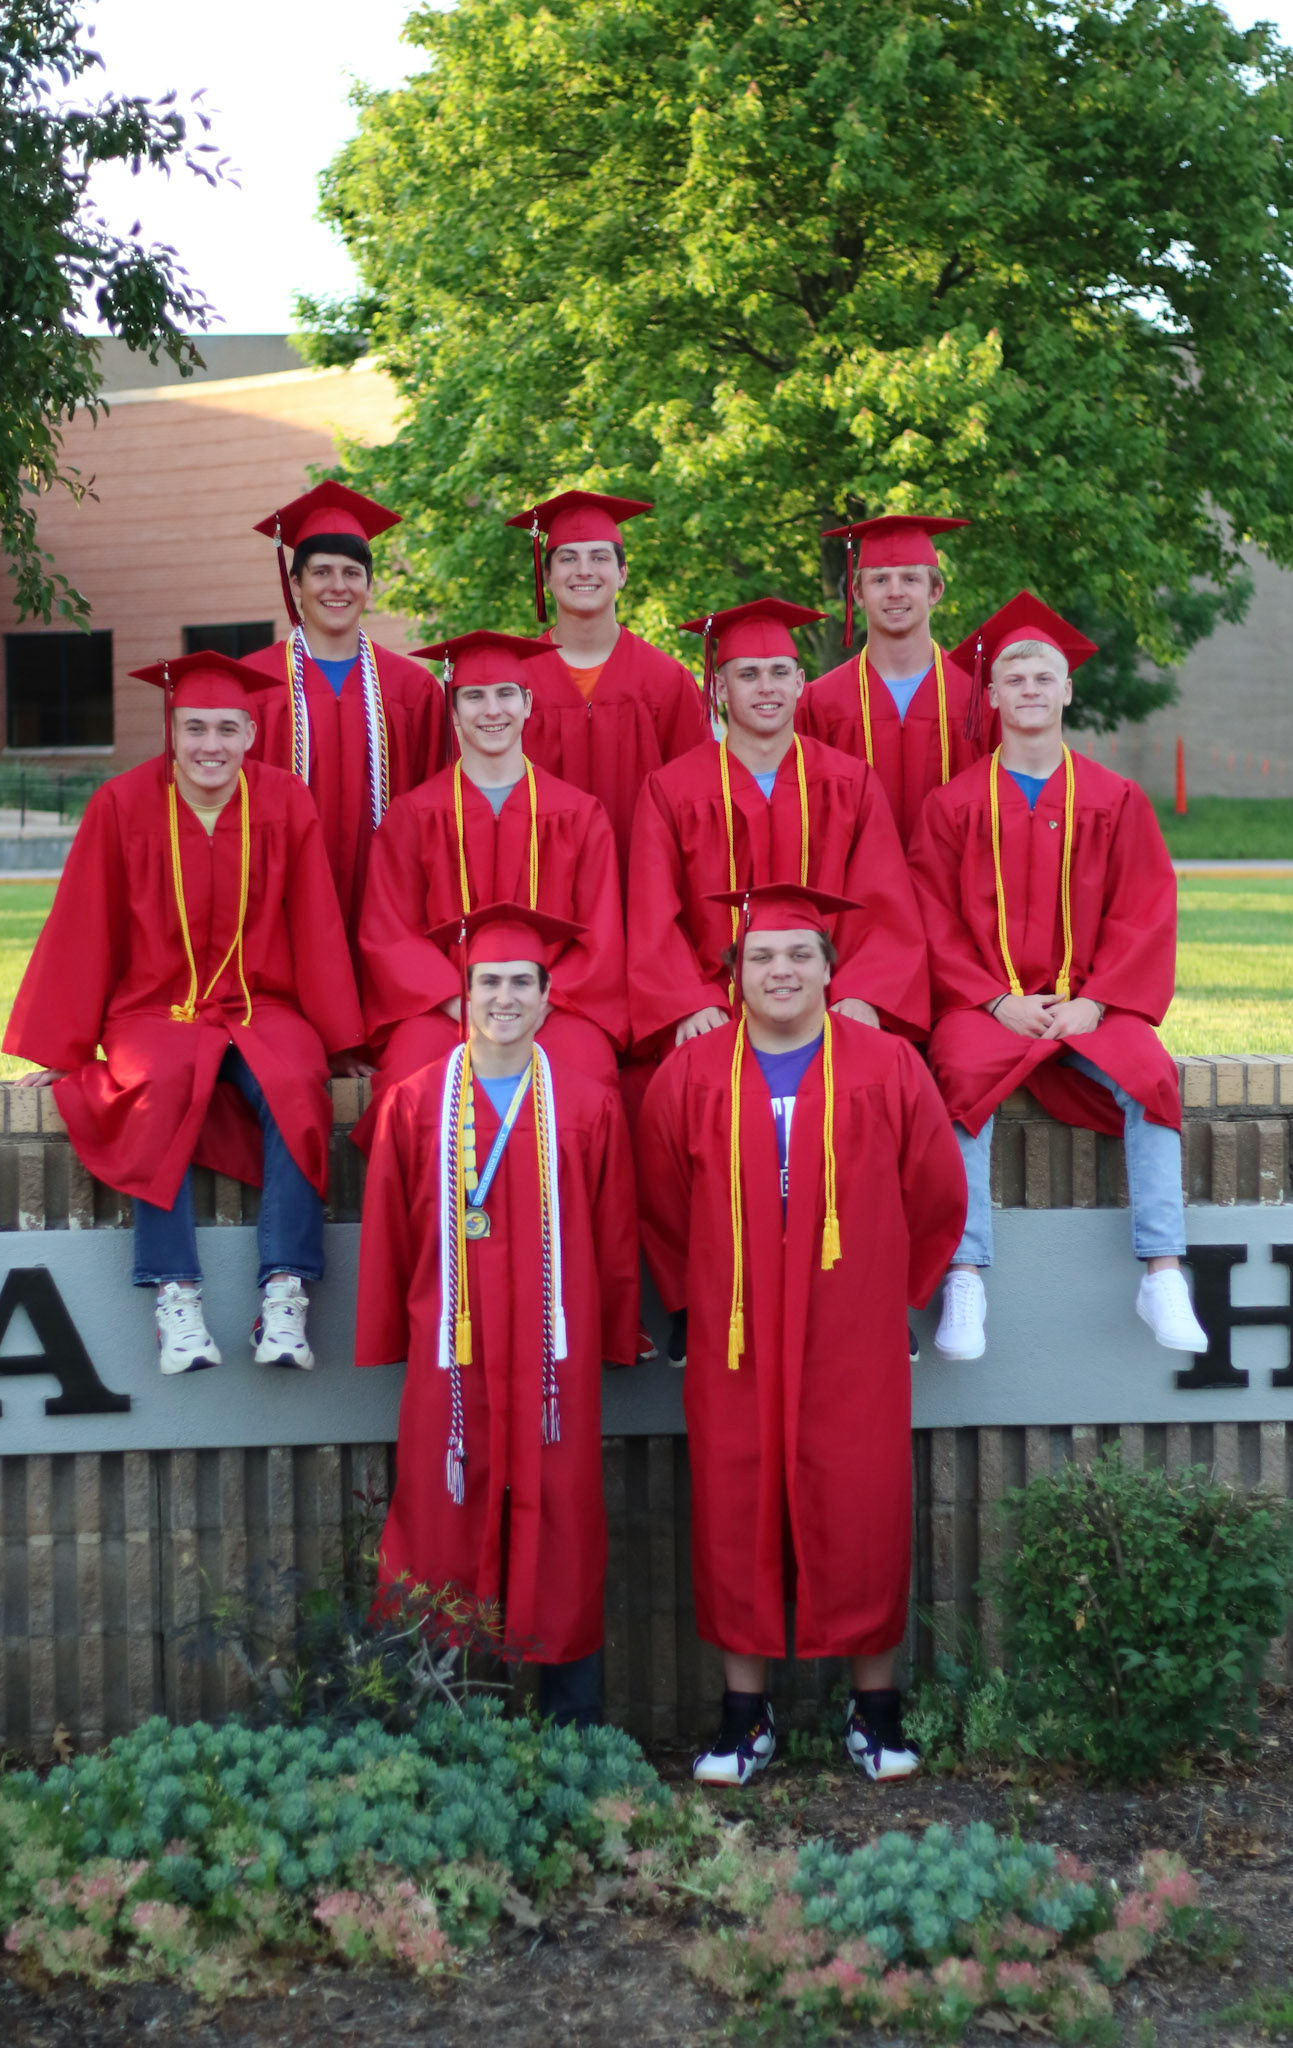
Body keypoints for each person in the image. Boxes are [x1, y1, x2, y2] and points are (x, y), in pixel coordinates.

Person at [638, 884, 966, 1785]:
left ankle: (876, 1713)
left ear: (829, 969)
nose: (779, 971)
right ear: (733, 976)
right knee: (734, 1506)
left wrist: (891, 1297)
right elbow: (662, 1205)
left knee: (859, 1505)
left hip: (850, 1327)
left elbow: (935, 1189)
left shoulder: (888, 1065)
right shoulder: (692, 1075)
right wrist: (692, 1307)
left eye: (798, 956)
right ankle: (743, 1720)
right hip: (736, 1330)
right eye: (759, 958)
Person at [4, 651, 366, 1374]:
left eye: (227, 729)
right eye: (194, 727)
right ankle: (175, 1294)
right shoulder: (122, 804)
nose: (210, 745)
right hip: (153, 1008)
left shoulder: (286, 801)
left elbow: (317, 925)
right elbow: (86, 925)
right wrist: (65, 1050)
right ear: (170, 729)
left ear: (251, 735)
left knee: (298, 1084)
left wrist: (339, 1038)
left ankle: (285, 1291)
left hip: (263, 1003)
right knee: (155, 1086)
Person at [906, 591, 1208, 1362]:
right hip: (986, 1003)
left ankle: (1162, 1269)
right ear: (993, 695)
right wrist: (994, 999)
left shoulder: (1114, 799)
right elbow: (929, 918)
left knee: (1151, 1074)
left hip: (1092, 1003)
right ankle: (966, 1273)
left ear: (1067, 689)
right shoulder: (951, 806)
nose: (1031, 690)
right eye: (1015, 679)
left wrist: (1098, 1000)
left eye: (1045, 677)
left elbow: (1146, 910)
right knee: (958, 1072)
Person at [357, 902, 640, 1725]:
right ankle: (445, 1727)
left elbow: (614, 1236)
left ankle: (570, 1732)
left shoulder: (586, 1106)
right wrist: (392, 1336)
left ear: (550, 999)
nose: (504, 997)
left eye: (522, 982)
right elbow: (388, 1235)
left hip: (555, 1361)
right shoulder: (414, 1106)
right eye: (489, 982)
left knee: (561, 1522)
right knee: (441, 1518)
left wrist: (613, 1336)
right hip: (451, 1352)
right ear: (464, 993)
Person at [627, 598, 929, 1059]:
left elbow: (884, 905)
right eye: (747, 674)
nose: (766, 687)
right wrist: (689, 1001)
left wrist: (863, 992)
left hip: (827, 1007)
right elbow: (654, 918)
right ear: (720, 688)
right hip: (717, 1010)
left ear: (801, 683)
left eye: (779, 672)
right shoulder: (671, 791)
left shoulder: (851, 783)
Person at [356, 629, 628, 1095]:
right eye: (474, 697)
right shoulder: (415, 815)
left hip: (553, 1006)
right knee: (409, 1078)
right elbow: (391, 932)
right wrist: (461, 1003)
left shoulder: (579, 814)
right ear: (454, 710)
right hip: (446, 1007)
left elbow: (599, 936)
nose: (492, 710)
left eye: (506, 694)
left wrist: (532, 1003)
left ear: (528, 703)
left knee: (587, 1074)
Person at [244, 480, 447, 946]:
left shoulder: (413, 689)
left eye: (352, 573)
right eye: (321, 573)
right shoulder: (254, 685)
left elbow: (436, 806)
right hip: (277, 906)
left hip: (391, 906)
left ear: (369, 586)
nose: (338, 587)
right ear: (296, 583)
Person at [505, 489, 706, 878]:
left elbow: (697, 801)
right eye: (568, 558)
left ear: (623, 574)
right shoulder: (513, 681)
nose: (584, 570)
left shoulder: (667, 681)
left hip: (647, 889)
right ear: (547, 576)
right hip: (538, 890)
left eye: (599, 557)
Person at [796, 515, 986, 844]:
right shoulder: (819, 703)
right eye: (880, 580)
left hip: (954, 891)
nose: (895, 592)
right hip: (854, 891)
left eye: (910, 579)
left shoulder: (979, 699)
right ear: (857, 592)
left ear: (936, 590)